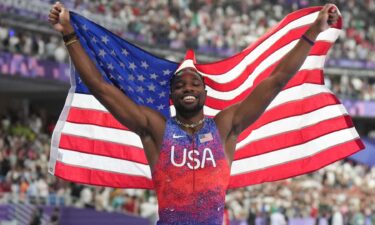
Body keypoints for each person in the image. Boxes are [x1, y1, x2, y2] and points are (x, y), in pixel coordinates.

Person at [48, 2, 339, 225]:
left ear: (205, 92)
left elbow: (276, 81)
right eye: (180, 84)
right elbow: (100, 88)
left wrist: (313, 31)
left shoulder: (225, 126)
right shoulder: (155, 128)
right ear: (171, 94)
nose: (188, 87)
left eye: (195, 83)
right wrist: (69, 34)